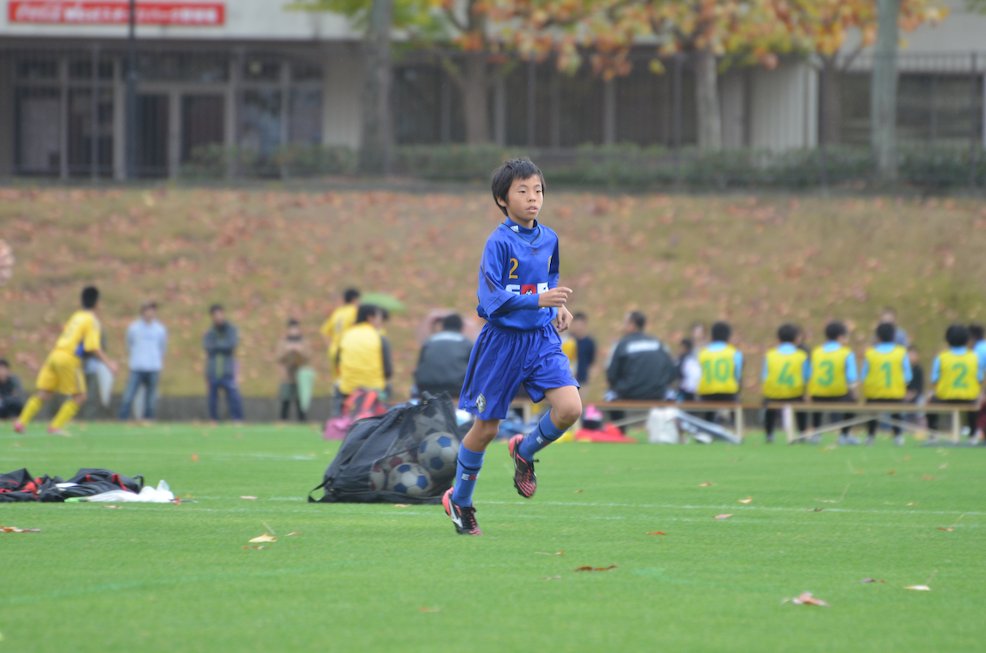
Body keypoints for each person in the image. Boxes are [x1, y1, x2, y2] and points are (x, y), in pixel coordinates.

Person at [444, 158, 581, 536]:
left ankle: (525, 450)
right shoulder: (498, 242)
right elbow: (490, 299)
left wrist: (559, 304)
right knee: (486, 429)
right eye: (522, 191)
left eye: (537, 190)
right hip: (502, 343)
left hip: (540, 339)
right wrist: (538, 302)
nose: (532, 198)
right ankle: (461, 499)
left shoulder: (550, 238)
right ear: (502, 199)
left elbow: (546, 279)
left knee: (570, 408)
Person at [14, 286, 117, 435]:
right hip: (69, 358)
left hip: (55, 354)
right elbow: (93, 346)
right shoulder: (92, 320)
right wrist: (109, 364)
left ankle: (20, 422)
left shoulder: (76, 316)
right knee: (80, 396)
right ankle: (55, 426)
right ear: (97, 303)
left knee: (44, 392)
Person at [605, 311, 678, 429]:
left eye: (625, 323)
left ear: (632, 325)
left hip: (629, 393)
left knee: (610, 395)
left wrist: (620, 386)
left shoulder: (623, 344)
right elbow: (672, 372)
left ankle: (619, 432)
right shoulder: (657, 343)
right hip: (657, 393)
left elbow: (612, 374)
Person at [806, 321, 859, 445]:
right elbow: (851, 377)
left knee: (817, 404)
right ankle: (844, 435)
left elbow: (809, 374)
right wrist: (854, 392)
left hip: (818, 394)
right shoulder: (846, 353)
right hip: (839, 394)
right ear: (840, 337)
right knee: (852, 403)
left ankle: (817, 434)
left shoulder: (816, 352)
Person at [926, 324, 982, 440]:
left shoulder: (941, 357)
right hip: (969, 398)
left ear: (947, 339)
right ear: (967, 340)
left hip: (945, 398)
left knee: (930, 402)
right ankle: (973, 434)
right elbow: (979, 379)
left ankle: (933, 433)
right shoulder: (974, 357)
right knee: (976, 404)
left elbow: (934, 379)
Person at [859, 322, 911, 446]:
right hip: (896, 394)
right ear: (894, 336)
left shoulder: (870, 353)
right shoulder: (901, 352)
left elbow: (863, 376)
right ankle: (898, 436)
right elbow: (908, 376)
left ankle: (870, 436)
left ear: (877, 337)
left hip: (874, 395)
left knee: (872, 412)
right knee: (897, 411)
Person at [335, 304, 393, 410]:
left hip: (348, 390)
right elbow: (388, 371)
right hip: (374, 390)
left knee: (337, 386)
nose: (380, 321)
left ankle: (338, 416)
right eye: (378, 318)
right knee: (389, 387)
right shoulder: (380, 338)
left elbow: (337, 362)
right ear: (370, 318)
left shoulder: (346, 335)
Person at [118, 302, 168, 421]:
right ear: (143, 312)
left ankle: (149, 419)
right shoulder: (134, 328)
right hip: (137, 366)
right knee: (129, 395)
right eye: (147, 310)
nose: (150, 313)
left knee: (151, 398)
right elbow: (129, 344)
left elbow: (162, 347)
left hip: (153, 367)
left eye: (152, 310)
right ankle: (122, 418)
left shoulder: (160, 329)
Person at [761, 323, 808, 444]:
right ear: (796, 338)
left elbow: (764, 376)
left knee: (769, 408)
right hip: (795, 394)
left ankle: (769, 434)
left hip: (773, 394)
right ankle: (802, 433)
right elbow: (806, 377)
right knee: (801, 409)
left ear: (778, 339)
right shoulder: (801, 356)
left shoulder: (770, 355)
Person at [413, 313, 473, 398]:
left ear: (443, 326)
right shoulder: (466, 343)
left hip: (427, 387)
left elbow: (420, 365)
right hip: (456, 387)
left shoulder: (429, 341)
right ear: (461, 327)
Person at [697, 321, 743, 424]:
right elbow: (738, 375)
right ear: (728, 336)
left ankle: (706, 429)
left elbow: (698, 373)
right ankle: (736, 427)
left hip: (706, 392)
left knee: (708, 411)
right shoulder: (735, 353)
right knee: (735, 403)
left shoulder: (703, 353)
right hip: (728, 392)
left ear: (712, 336)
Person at [204, 304, 243, 421]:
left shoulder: (231, 330)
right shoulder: (210, 332)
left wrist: (217, 346)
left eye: (220, 314)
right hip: (213, 369)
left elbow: (231, 345)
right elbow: (207, 347)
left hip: (228, 369)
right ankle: (213, 419)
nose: (218, 317)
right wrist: (222, 346)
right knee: (212, 398)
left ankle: (237, 419)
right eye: (215, 315)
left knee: (234, 396)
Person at [275, 318, 313, 421]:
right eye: (292, 329)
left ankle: (303, 421)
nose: (294, 331)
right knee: (285, 399)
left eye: (296, 329)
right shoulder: (284, 341)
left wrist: (299, 351)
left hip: (300, 375)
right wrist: (288, 351)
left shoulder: (303, 341)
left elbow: (308, 357)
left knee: (300, 401)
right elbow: (278, 357)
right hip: (287, 375)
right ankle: (283, 420)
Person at [320, 288, 360, 376]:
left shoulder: (337, 312)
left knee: (338, 381)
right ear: (354, 300)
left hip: (334, 351)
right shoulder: (355, 312)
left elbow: (324, 331)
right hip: (348, 352)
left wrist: (331, 346)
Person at [570, 312, 597, 389]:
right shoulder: (568, 340)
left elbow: (591, 360)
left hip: (582, 380)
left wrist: (589, 373)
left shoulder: (589, 342)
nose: (578, 327)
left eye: (580, 325)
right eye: (576, 325)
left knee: (581, 400)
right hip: (568, 379)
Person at [968, 324, 986, 443]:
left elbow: (978, 375)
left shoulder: (977, 351)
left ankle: (975, 432)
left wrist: (981, 392)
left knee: (977, 403)